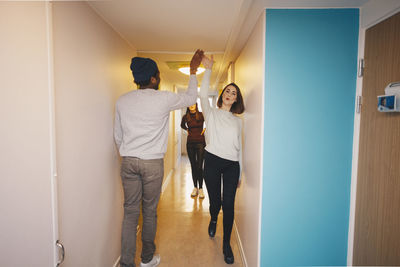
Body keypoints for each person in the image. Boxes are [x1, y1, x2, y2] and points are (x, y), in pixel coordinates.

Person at [114, 49, 204, 267]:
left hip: (128, 161)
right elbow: (192, 98)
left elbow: (118, 136)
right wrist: (192, 70)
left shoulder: (122, 101)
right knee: (149, 212)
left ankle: (126, 264)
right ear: (153, 78)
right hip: (152, 163)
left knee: (130, 213)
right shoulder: (163, 98)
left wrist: (129, 152)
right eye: (158, 75)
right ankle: (146, 259)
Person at [199, 54, 245, 264]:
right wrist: (208, 69)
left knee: (229, 204)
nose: (229, 93)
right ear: (222, 95)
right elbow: (202, 92)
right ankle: (213, 216)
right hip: (212, 161)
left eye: (233, 93)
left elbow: (240, 148)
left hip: (231, 165)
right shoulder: (211, 113)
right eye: (227, 90)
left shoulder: (238, 122)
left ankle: (227, 245)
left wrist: (240, 171)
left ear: (236, 99)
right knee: (215, 202)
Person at [180, 103, 206, 199]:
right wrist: (187, 130)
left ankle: (201, 188)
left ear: (196, 105)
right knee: (193, 166)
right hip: (190, 143)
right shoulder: (186, 117)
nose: (191, 105)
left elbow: (211, 121)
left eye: (193, 104)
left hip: (200, 143)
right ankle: (195, 187)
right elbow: (182, 125)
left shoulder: (201, 115)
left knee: (199, 166)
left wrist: (205, 129)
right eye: (189, 104)